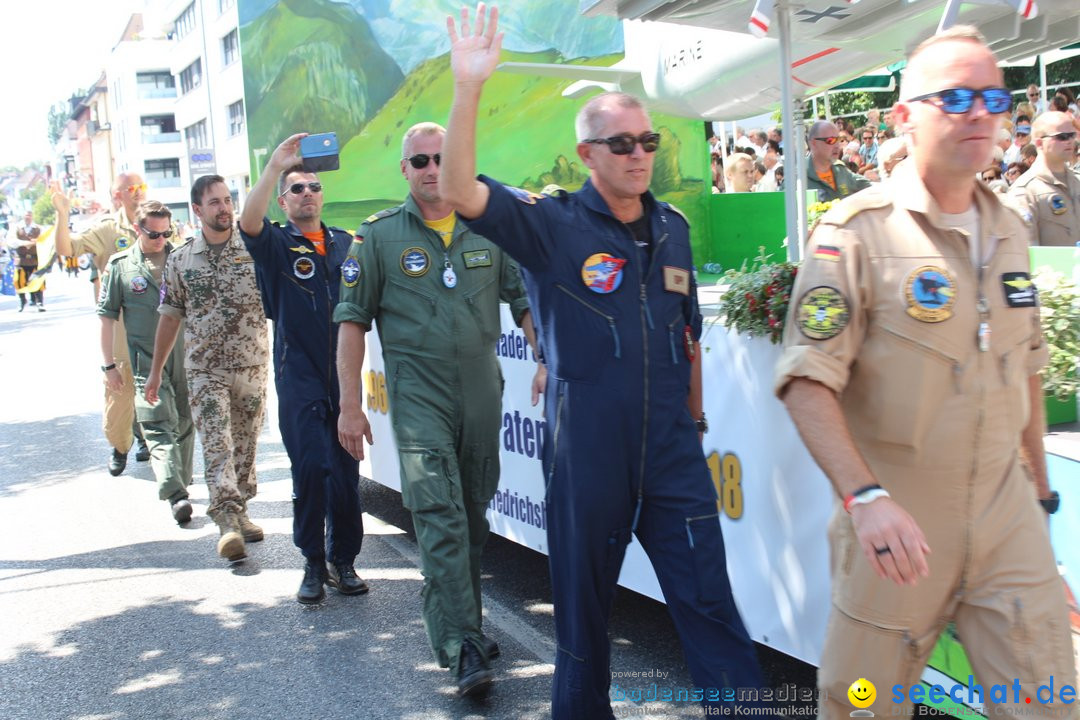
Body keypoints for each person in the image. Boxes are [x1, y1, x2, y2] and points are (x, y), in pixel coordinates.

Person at [438, 7, 767, 718]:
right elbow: (462, 192)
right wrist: (469, 89)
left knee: (712, 607)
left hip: (673, 456)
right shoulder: (551, 225)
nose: (638, 154)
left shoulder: (673, 232)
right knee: (584, 626)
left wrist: (697, 423)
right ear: (588, 154)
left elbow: (687, 340)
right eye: (620, 143)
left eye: (647, 140)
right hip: (588, 454)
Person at [775, 26, 1075, 717]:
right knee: (862, 707)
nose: (979, 113)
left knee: (1050, 702)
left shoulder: (1007, 228)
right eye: (957, 97)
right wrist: (864, 499)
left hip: (1008, 522)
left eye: (992, 97)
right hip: (897, 529)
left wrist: (1041, 507)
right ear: (905, 117)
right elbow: (806, 379)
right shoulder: (855, 232)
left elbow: (1025, 368)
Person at [335, 120, 541, 697]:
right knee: (439, 517)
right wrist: (351, 407)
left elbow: (524, 301)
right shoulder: (376, 238)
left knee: (473, 518)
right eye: (419, 160)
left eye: (440, 159)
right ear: (404, 170)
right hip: (419, 400)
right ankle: (462, 647)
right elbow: (351, 323)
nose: (430, 169)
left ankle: (466, 623)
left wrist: (544, 352)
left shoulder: (490, 231)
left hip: (481, 399)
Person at [238, 141, 368, 604]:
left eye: (314, 187)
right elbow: (247, 224)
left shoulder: (347, 243)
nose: (307, 194)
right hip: (299, 373)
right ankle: (313, 562)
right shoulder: (275, 243)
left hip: (343, 375)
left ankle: (344, 561)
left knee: (345, 473)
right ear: (284, 199)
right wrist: (276, 165)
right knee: (311, 468)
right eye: (297, 189)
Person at [146, 176, 269, 563]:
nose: (224, 208)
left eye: (227, 200)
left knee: (246, 446)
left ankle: (242, 508)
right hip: (205, 370)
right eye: (214, 202)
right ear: (197, 211)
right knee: (217, 443)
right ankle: (227, 520)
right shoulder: (180, 260)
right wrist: (155, 372)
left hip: (252, 365)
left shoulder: (254, 249)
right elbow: (169, 317)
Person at [98, 200, 194, 525]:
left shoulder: (183, 257)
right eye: (154, 234)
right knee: (155, 424)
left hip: (186, 355)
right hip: (144, 358)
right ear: (139, 229)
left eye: (167, 232)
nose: (161, 239)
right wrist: (109, 366)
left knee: (184, 422)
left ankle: (181, 480)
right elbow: (107, 320)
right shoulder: (121, 265)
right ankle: (175, 493)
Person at [52, 178, 151, 476]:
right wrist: (62, 214)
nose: (139, 193)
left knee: (154, 385)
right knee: (120, 388)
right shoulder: (108, 229)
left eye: (141, 187)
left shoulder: (158, 221)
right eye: (132, 189)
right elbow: (67, 248)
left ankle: (149, 438)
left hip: (154, 322)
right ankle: (120, 446)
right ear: (118, 195)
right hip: (119, 325)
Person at [1008, 111, 1079, 246]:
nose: (1070, 141)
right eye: (1062, 137)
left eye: (1072, 135)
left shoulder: (1077, 182)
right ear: (1040, 143)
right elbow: (1027, 253)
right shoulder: (1024, 192)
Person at [806, 120, 871, 202]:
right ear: (814, 143)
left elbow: (868, 185)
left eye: (838, 140)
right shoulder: (798, 178)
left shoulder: (841, 171)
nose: (837, 145)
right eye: (830, 141)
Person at [11, 211, 43, 311]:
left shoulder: (38, 228)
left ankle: (39, 302)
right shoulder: (16, 228)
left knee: (37, 281)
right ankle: (22, 301)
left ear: (32, 216)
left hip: (34, 259)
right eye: (26, 215)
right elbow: (12, 241)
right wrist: (25, 243)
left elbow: (44, 240)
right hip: (21, 259)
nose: (27, 217)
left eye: (29, 215)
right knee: (19, 281)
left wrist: (36, 242)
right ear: (23, 216)